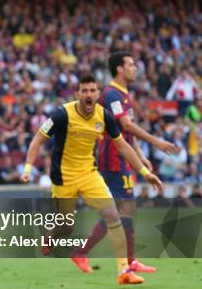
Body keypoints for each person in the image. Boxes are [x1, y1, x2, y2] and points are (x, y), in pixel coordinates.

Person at [21, 75, 164, 285]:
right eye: (84, 91)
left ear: (97, 94)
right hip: (63, 177)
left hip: (89, 174)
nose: (89, 95)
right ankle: (50, 234)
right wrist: (27, 169)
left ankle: (123, 271)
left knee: (112, 215)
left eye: (92, 91)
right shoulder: (62, 114)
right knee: (66, 227)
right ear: (78, 94)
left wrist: (144, 172)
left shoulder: (104, 116)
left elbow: (122, 145)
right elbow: (37, 140)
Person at [71, 52, 179, 274]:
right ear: (119, 69)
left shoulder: (123, 94)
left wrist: (139, 154)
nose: (135, 68)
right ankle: (117, 261)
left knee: (122, 211)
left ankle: (92, 254)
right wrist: (156, 142)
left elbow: (125, 131)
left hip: (122, 158)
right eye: (131, 65)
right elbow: (126, 126)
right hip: (112, 159)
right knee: (124, 210)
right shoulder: (111, 94)